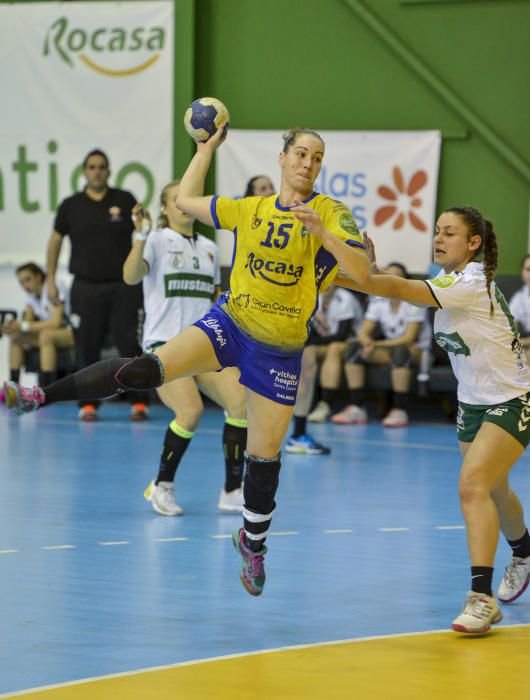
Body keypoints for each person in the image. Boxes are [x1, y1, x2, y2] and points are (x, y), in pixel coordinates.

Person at [4, 126, 371, 597]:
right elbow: (188, 199)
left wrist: (322, 232)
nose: (308, 163)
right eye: (300, 153)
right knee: (146, 369)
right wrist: (205, 149)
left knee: (265, 457)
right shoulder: (249, 209)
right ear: (282, 157)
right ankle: (39, 396)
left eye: (317, 157)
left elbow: (360, 272)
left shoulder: (331, 212)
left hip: (279, 348)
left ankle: (252, 542)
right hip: (230, 323)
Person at [336, 205, 530, 634]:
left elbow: (398, 289)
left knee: (472, 485)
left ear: (473, 243)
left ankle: (482, 599)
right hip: (473, 403)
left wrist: (336, 270)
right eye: (437, 232)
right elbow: (393, 285)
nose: (439, 239)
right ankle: (524, 550)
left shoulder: (472, 281)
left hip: (513, 400)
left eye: (450, 233)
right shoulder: (450, 280)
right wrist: (368, 272)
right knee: (495, 490)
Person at [122, 181, 247, 514]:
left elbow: (216, 299)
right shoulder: (156, 241)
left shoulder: (209, 247)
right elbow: (131, 276)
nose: (181, 204)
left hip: (203, 344)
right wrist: (139, 236)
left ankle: (232, 490)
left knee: (240, 402)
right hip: (164, 345)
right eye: (173, 200)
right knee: (190, 412)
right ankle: (161, 486)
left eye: (186, 198)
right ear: (164, 208)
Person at [46, 149, 149, 422]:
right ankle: (88, 404)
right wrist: (50, 279)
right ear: (84, 172)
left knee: (129, 343)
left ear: (109, 171)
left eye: (102, 166)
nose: (97, 171)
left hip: (123, 287)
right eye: (92, 167)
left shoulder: (124, 200)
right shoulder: (71, 205)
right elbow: (55, 242)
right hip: (86, 287)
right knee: (86, 346)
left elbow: (144, 233)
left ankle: (138, 402)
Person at [332, 262, 431, 428]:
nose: (391, 280)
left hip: (418, 351)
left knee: (401, 352)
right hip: (389, 348)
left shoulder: (414, 300)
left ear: (404, 280)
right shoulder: (379, 300)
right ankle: (357, 407)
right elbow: (363, 331)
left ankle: (399, 410)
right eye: (387, 275)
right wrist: (366, 341)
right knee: (354, 349)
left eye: (396, 276)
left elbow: (408, 339)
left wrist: (376, 344)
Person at [285, 284, 363, 452]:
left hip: (349, 343)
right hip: (316, 341)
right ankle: (296, 428)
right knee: (304, 361)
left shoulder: (344, 298)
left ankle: (324, 404)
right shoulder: (314, 295)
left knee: (324, 353)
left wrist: (311, 344)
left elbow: (343, 334)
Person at [0, 263, 74, 386]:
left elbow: (56, 323)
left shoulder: (53, 287)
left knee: (46, 336)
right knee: (15, 337)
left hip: (72, 332)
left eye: (28, 279)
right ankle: (13, 389)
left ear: (39, 276)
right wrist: (11, 327)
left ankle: (45, 390)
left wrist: (23, 326)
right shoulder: (30, 295)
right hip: (51, 334)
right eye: (21, 282)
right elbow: (27, 323)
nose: (25, 285)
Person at [508, 254, 530, 363]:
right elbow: (508, 327)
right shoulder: (519, 298)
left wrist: (523, 342)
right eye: (528, 269)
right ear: (522, 273)